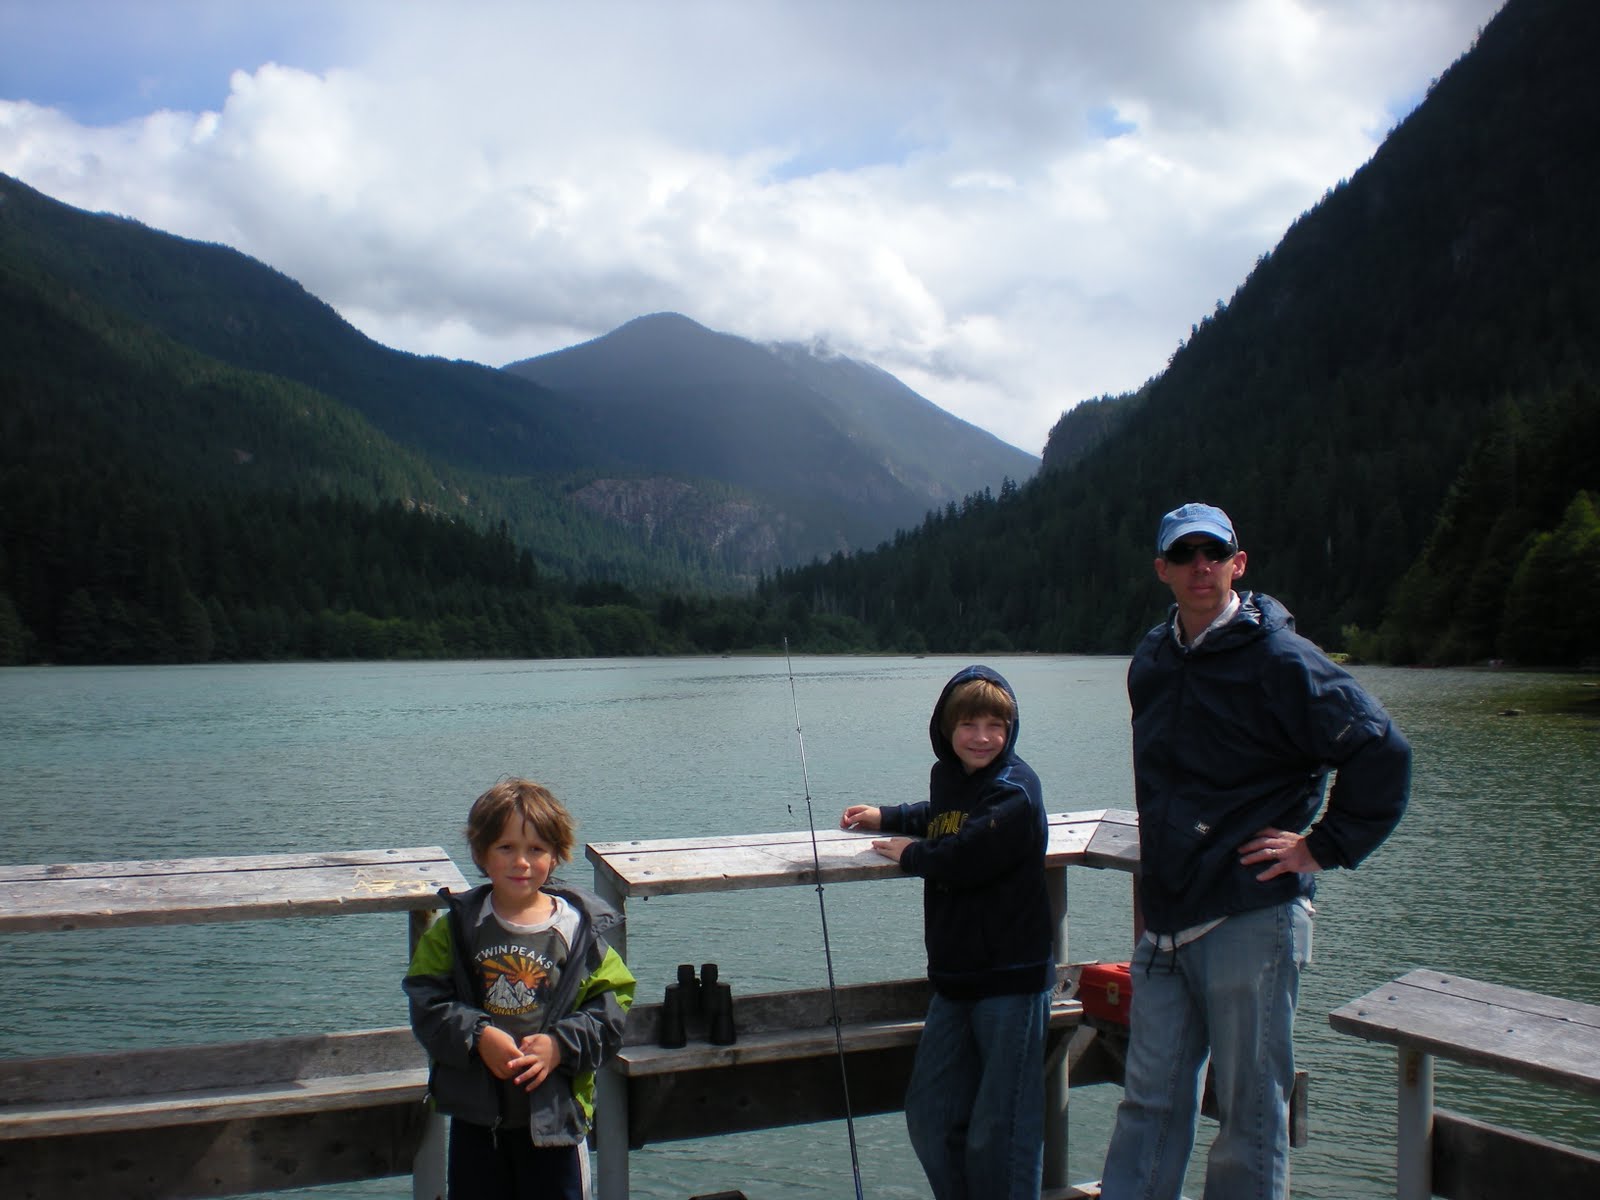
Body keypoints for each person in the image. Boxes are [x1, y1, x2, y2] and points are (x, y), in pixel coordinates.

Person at [1100, 502, 1411, 1200]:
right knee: (1147, 1104)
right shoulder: (1152, 658)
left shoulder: (1281, 658)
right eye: (1185, 556)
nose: (1200, 566)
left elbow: (1381, 750)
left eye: (1215, 553)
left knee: (1248, 1116)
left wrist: (1321, 846)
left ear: (1238, 564)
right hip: (1167, 925)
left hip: (1252, 917)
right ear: (1163, 571)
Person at [840, 665, 1053, 1200]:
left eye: (995, 726)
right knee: (930, 1117)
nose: (982, 737)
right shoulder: (954, 778)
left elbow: (966, 854)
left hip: (1010, 979)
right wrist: (887, 815)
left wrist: (912, 854)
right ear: (945, 728)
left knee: (999, 1130)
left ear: (1011, 730)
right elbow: (943, 815)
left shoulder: (1016, 791)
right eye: (969, 725)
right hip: (955, 980)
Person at [405, 777, 636, 1200]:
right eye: (506, 847)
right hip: (477, 1121)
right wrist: (477, 1035)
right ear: (481, 853)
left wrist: (560, 1045)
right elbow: (425, 999)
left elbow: (612, 1006)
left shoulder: (576, 929)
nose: (522, 862)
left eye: (536, 849)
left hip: (556, 1120)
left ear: (556, 855)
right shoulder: (458, 928)